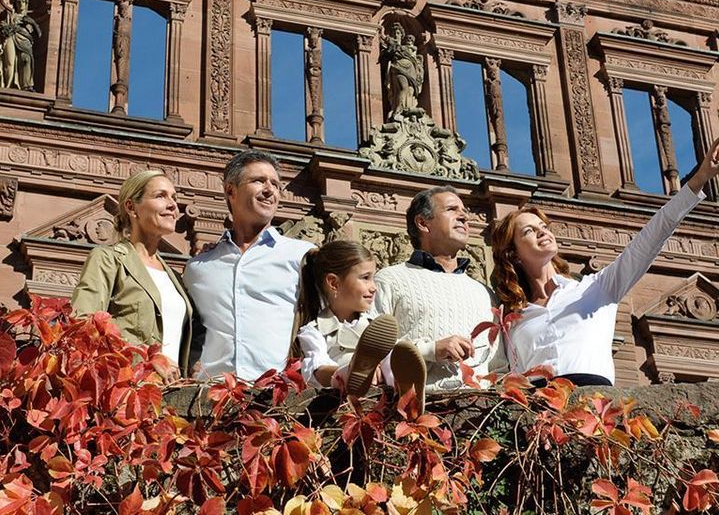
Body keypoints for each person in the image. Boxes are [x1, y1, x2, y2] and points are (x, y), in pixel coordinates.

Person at [490, 135, 719, 387]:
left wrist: (699, 179)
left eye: (543, 226)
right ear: (513, 254)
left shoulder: (597, 288)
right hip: (540, 411)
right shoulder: (513, 318)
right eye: (529, 231)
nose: (542, 231)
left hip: (595, 404)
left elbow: (651, 238)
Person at [184, 150, 314, 380]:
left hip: (277, 397)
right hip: (210, 396)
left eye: (275, 184)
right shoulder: (198, 267)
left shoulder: (301, 255)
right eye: (258, 181)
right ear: (230, 191)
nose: (269, 189)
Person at [373, 186, 497, 391]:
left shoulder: (485, 293)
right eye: (451, 209)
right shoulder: (389, 279)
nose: (464, 217)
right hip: (412, 410)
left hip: (481, 413)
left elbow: (499, 365)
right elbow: (368, 353)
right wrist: (431, 350)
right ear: (423, 223)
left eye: (464, 212)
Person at [71, 170, 195, 375]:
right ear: (131, 207)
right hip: (127, 388)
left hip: (174, 395)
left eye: (174, 197)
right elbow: (83, 322)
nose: (173, 205)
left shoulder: (175, 277)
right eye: (160, 196)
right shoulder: (108, 259)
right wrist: (145, 359)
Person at [293, 240, 426, 405]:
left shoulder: (375, 327)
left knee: (393, 354)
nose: (374, 287)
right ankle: (351, 374)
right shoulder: (314, 330)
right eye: (365, 278)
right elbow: (316, 368)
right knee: (323, 367)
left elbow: (396, 352)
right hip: (338, 405)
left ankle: (405, 390)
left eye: (373, 279)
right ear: (334, 283)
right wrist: (351, 372)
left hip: (379, 403)